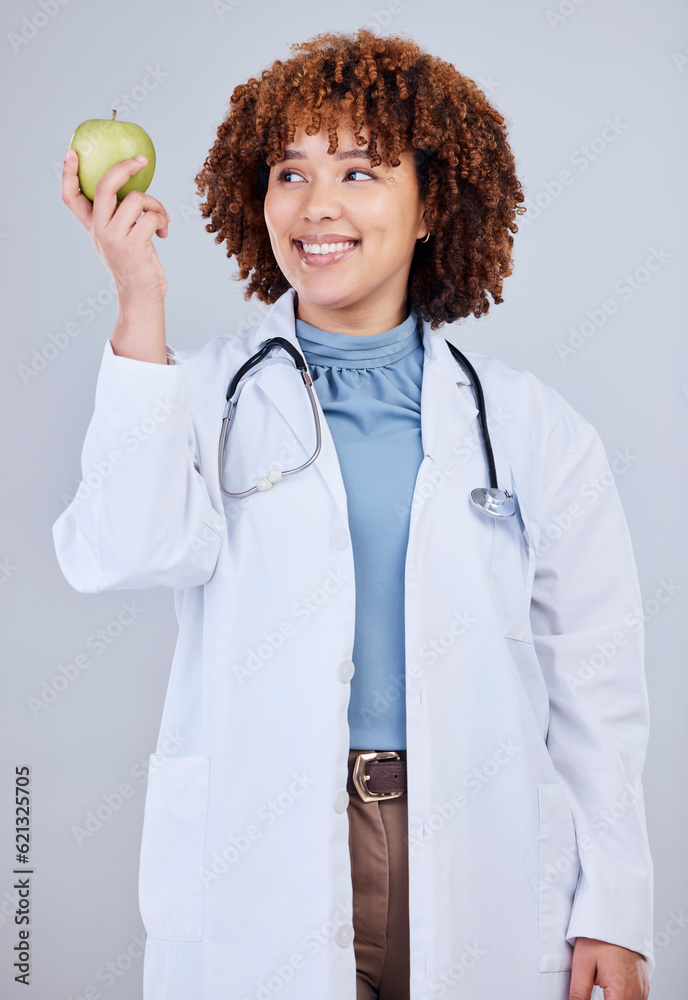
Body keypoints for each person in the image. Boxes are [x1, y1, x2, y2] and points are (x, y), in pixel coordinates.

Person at [54, 27, 653, 1000]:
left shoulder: (531, 427)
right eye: (288, 171)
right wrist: (138, 304)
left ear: (430, 206)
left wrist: (614, 910)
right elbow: (117, 550)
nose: (316, 204)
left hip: (474, 839)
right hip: (268, 838)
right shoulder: (199, 395)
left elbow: (597, 686)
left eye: (359, 172)